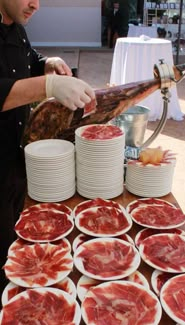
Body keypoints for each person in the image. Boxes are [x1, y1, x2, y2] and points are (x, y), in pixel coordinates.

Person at [0, 0, 95, 294]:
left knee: (17, 252)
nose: (36, 5)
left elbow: (27, 58)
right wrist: (48, 87)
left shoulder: (15, 26)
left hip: (17, 161)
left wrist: (46, 63)